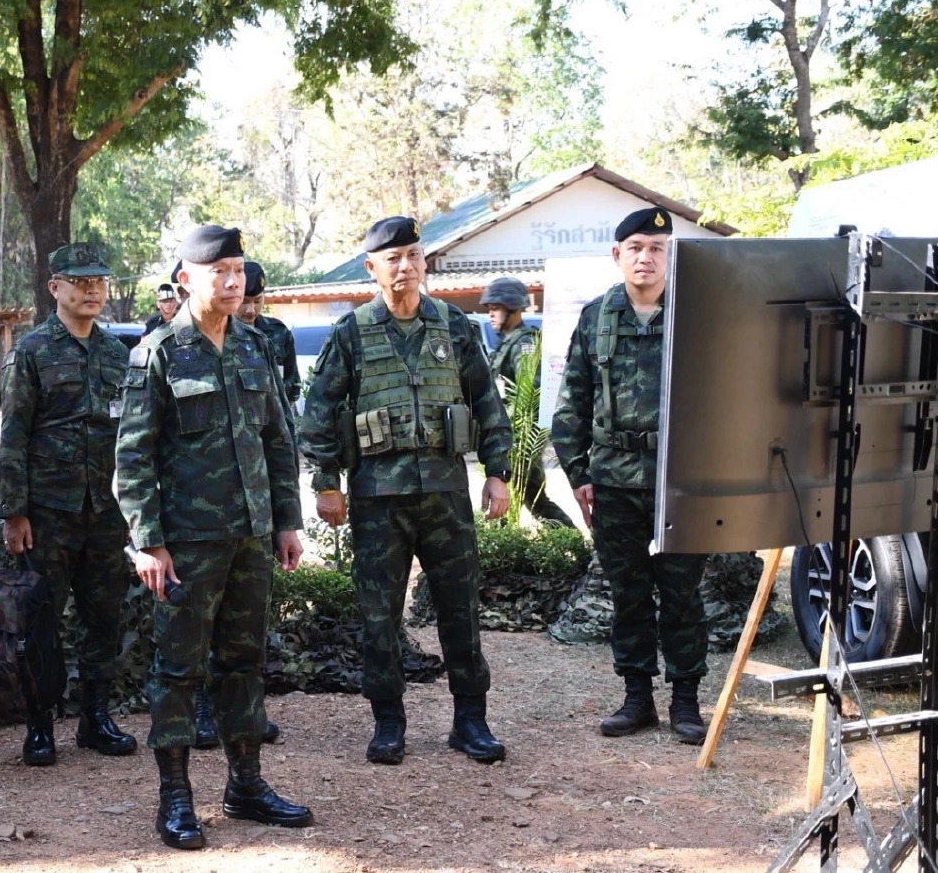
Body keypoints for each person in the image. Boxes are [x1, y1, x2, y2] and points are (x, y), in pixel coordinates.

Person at [117, 224, 311, 851]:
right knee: (177, 668)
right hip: (187, 544)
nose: (233, 282)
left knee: (244, 662)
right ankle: (176, 798)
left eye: (238, 270)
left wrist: (287, 520)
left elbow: (279, 444)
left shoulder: (255, 348)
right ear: (186, 280)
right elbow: (133, 459)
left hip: (251, 538)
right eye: (218, 272)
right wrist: (148, 540)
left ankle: (246, 785)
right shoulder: (158, 354)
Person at [300, 216, 514, 767]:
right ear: (372, 268)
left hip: (446, 493)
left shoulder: (455, 327)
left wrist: (497, 471)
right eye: (392, 258)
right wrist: (327, 485)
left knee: (460, 608)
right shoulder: (350, 333)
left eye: (413, 255)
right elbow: (319, 414)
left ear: (424, 262)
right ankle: (388, 723)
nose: (405, 266)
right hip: (378, 499)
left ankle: (471, 721)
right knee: (379, 613)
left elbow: (486, 401)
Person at [550, 206, 708, 745]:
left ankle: (685, 701)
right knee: (629, 593)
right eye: (636, 247)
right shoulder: (596, 317)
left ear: (670, 257)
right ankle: (637, 699)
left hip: (678, 480)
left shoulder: (694, 315)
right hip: (614, 480)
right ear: (617, 255)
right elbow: (573, 400)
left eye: (657, 248)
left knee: (682, 594)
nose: (646, 257)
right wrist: (577, 473)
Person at [0, 243, 137, 766]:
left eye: (99, 282)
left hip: (104, 512)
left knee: (104, 617)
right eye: (79, 283)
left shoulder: (118, 354)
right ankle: (40, 726)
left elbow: (132, 438)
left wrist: (134, 511)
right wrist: (14, 511)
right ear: (55, 288)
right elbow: (14, 436)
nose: (91, 291)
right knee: (42, 621)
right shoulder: (31, 352)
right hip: (48, 513)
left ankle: (95, 719)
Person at [480, 277, 576, 528]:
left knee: (531, 497)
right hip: (509, 432)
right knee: (519, 497)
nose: (490, 315)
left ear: (512, 308)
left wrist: (517, 431)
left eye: (495, 309)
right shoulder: (509, 341)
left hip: (521, 434)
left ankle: (573, 540)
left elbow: (529, 391)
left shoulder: (523, 342)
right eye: (489, 310)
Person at [237, 261, 301, 408]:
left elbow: (293, 381)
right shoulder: (220, 333)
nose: (251, 310)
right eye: (244, 302)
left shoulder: (279, 332)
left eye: (258, 301)